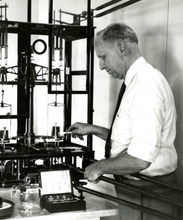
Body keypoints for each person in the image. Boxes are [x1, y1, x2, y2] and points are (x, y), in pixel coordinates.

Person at [68, 23, 179, 220]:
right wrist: (92, 129)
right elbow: (132, 138)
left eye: (103, 57)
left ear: (121, 47)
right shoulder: (136, 81)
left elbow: (139, 158)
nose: (101, 66)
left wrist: (99, 166)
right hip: (138, 187)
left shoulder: (145, 85)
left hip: (149, 190)